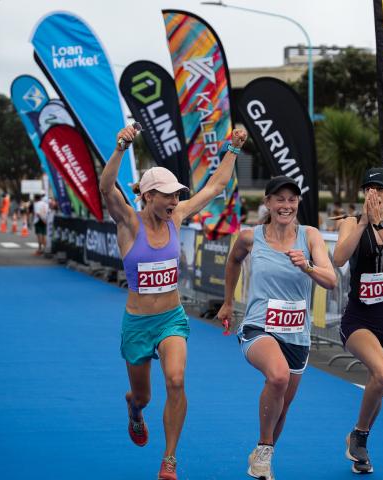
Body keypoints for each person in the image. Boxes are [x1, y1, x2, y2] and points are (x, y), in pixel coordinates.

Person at [100, 123, 247, 480]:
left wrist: (234, 148)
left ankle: (169, 459)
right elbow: (106, 188)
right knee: (144, 397)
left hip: (171, 319)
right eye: (167, 195)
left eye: (177, 195)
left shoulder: (176, 218)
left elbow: (214, 187)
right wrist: (120, 146)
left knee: (177, 380)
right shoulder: (128, 224)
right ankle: (134, 411)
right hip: (137, 324)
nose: (175, 202)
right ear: (149, 196)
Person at [217, 176, 336, 480]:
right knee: (278, 376)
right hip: (259, 326)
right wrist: (228, 302)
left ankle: (262, 458)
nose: (286, 205)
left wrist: (307, 266)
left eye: (292, 199)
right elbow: (233, 262)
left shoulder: (310, 237)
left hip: (297, 333)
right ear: (268, 203)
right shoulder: (249, 237)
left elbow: (331, 280)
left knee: (281, 406)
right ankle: (264, 448)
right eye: (279, 199)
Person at [332, 167, 383, 474]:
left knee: (378, 382)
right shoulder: (351, 222)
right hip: (359, 316)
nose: (374, 193)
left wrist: (382, 225)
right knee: (382, 373)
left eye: (381, 188)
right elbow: (339, 258)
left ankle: (360, 446)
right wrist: (364, 223)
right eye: (369, 187)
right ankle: (359, 436)